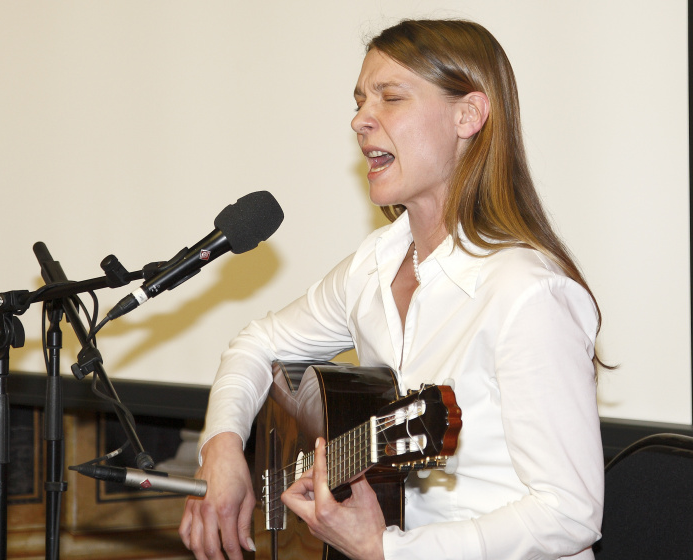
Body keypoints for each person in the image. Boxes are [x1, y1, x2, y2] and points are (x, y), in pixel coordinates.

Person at [179, 18, 605, 560]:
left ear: (468, 115)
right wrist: (220, 450)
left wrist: (389, 550)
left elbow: (569, 512)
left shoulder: (527, 292)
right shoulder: (374, 265)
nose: (360, 120)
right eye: (359, 101)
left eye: (391, 98)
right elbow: (256, 346)